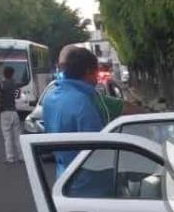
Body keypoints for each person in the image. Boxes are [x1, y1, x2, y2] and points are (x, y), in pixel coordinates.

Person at [43, 45, 144, 177]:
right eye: (96, 73)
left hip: (63, 179)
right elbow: (99, 152)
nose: (96, 80)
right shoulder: (86, 101)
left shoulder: (49, 98)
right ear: (88, 71)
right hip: (92, 184)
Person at [0, 66, 23, 164]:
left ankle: (10, 158)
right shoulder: (14, 84)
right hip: (14, 112)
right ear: (12, 74)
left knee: (7, 136)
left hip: (4, 112)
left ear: (4, 74)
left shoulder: (1, 85)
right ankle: (22, 156)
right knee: (17, 136)